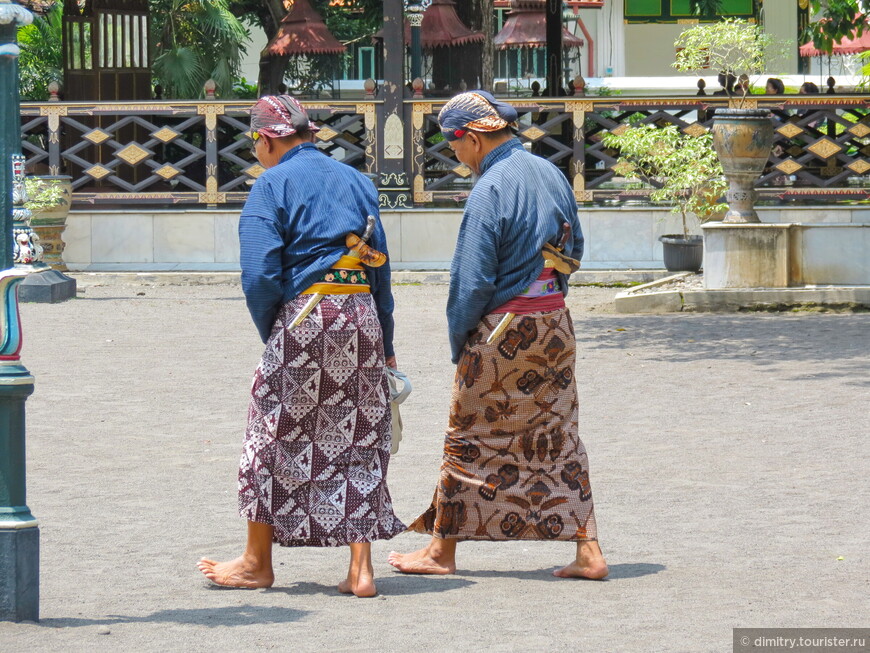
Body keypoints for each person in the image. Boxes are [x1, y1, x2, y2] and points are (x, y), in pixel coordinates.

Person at [388, 91, 608, 580]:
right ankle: (588, 550)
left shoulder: (491, 188)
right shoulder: (550, 173)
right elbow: (575, 248)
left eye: (455, 146)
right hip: (554, 321)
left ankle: (441, 551)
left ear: (470, 138)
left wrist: (460, 339)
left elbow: (472, 281)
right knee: (558, 434)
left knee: (469, 435)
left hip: (503, 329)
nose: (457, 157)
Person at [198, 95, 405, 598]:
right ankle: (361, 570)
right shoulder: (358, 181)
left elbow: (260, 274)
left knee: (271, 433)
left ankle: (256, 562)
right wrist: (388, 342)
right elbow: (380, 268)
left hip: (306, 313)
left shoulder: (271, 184)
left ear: (266, 139)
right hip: (360, 313)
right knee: (357, 433)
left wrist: (275, 327)